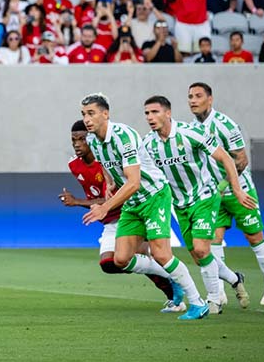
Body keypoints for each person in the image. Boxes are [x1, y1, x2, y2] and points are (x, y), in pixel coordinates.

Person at [78, 93, 209, 320]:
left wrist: (104, 207)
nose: (87, 119)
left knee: (161, 254)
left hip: (153, 196)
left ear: (105, 114)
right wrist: (110, 182)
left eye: (91, 113)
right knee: (120, 259)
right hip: (133, 201)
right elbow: (110, 166)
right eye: (83, 114)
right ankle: (172, 280)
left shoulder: (123, 136)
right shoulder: (92, 141)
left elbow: (134, 182)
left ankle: (198, 303)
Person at [142, 96, 254, 314]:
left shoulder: (190, 133)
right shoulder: (148, 143)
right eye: (147, 113)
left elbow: (226, 158)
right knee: (198, 256)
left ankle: (214, 301)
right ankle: (234, 278)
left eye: (155, 112)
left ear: (168, 113)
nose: (150, 117)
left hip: (204, 197)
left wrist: (237, 190)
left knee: (203, 249)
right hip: (179, 205)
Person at [59, 121, 181, 312]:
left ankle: (176, 296)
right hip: (109, 220)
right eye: (73, 140)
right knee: (109, 264)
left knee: (143, 256)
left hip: (131, 213)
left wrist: (77, 202)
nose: (77, 144)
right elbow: (96, 199)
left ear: (91, 139)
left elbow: (121, 191)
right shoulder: (74, 165)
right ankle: (172, 279)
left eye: (82, 139)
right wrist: (83, 202)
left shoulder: (107, 160)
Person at [188, 83, 264, 306]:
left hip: (239, 190)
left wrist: (223, 185)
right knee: (213, 241)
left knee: (254, 237)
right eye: (190, 96)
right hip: (213, 195)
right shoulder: (192, 127)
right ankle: (219, 291)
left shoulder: (226, 125)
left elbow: (241, 159)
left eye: (198, 96)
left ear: (210, 99)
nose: (193, 100)